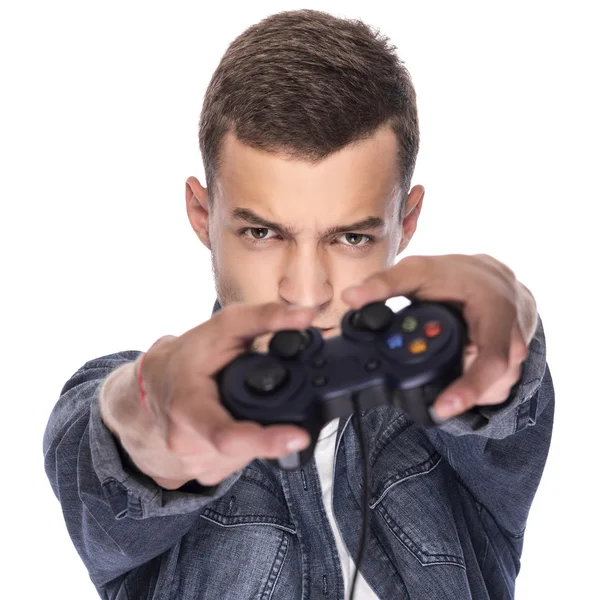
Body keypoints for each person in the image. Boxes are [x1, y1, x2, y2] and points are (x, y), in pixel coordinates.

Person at [43, 9, 553, 600]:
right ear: (202, 215)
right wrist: (154, 422)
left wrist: (506, 334)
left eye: (351, 238)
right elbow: (110, 444)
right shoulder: (130, 392)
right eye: (263, 234)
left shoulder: (458, 415)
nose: (306, 292)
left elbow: (508, 395)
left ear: (406, 222)